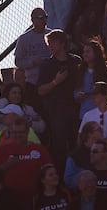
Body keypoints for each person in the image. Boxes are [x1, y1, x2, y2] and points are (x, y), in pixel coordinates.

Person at [37, 29, 80, 172]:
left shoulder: (75, 61)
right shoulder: (47, 65)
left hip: (76, 108)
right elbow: (41, 90)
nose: (50, 46)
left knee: (77, 143)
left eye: (53, 43)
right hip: (56, 110)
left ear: (62, 44)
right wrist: (56, 82)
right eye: (49, 43)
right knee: (59, 147)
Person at [0, 117, 53, 207]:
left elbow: (50, 170)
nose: (18, 135)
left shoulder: (39, 149)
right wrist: (6, 165)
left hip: (36, 199)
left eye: (21, 132)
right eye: (15, 132)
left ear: (27, 132)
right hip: (10, 202)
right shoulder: (3, 150)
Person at [13, 7, 51, 113]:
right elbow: (18, 61)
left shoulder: (52, 35)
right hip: (32, 82)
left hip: (50, 80)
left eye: (45, 17)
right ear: (33, 20)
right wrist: (32, 62)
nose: (43, 20)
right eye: (40, 17)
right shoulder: (24, 38)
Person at [75, 42, 107, 121]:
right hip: (85, 113)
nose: (85, 54)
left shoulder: (105, 71)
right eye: (84, 52)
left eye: (88, 51)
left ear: (96, 53)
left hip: (103, 114)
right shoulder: (80, 71)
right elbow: (76, 91)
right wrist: (78, 95)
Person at [64, 121, 103, 190]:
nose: (102, 130)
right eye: (99, 129)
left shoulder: (105, 151)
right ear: (89, 134)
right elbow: (68, 181)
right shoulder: (74, 156)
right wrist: (85, 176)